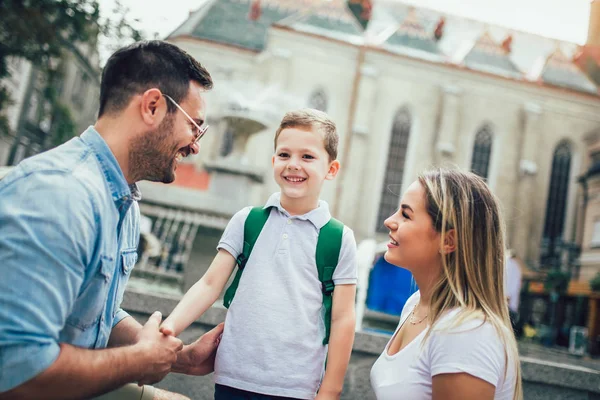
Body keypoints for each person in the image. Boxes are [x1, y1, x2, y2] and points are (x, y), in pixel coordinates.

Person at [0, 40, 224, 400]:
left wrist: (177, 358)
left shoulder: (123, 200)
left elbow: (92, 308)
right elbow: (16, 370)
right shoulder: (59, 195)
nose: (195, 144)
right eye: (194, 126)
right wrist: (136, 361)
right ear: (152, 106)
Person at [159, 109, 358, 400]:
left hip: (295, 387)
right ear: (273, 160)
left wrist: (330, 390)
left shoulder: (339, 238)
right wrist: (170, 327)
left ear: (331, 169)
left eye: (307, 157)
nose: (293, 165)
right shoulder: (247, 220)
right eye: (284, 154)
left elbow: (343, 319)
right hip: (232, 378)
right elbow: (209, 284)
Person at [370, 168, 522, 400]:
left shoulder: (467, 332)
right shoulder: (415, 305)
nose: (389, 221)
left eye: (406, 215)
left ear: (448, 241)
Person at [505, 249, 523, 336]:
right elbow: (508, 287)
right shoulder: (511, 265)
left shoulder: (514, 266)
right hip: (508, 307)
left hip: (509, 306)